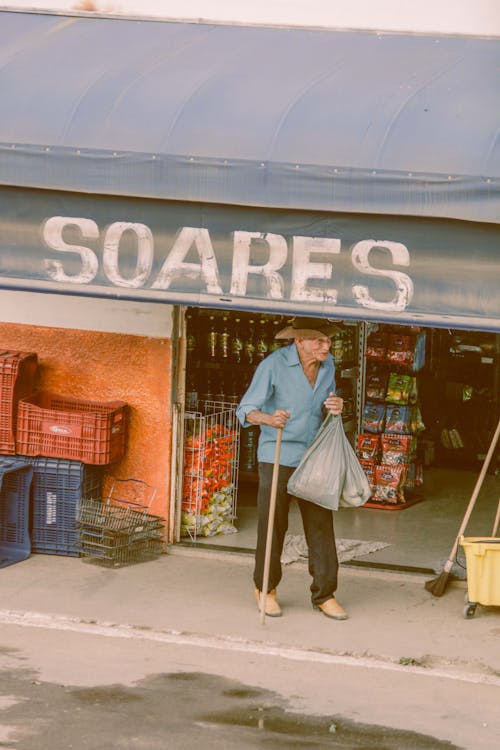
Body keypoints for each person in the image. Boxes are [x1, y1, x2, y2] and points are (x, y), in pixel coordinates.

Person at [236, 316, 348, 621]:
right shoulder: (273, 365)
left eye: (328, 340)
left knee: (321, 525)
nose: (327, 346)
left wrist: (336, 405)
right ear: (299, 341)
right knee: (273, 524)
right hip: (277, 453)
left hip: (313, 456)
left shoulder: (328, 366)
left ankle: (325, 594)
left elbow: (328, 403)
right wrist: (269, 418)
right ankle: (265, 589)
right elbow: (244, 410)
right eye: (319, 341)